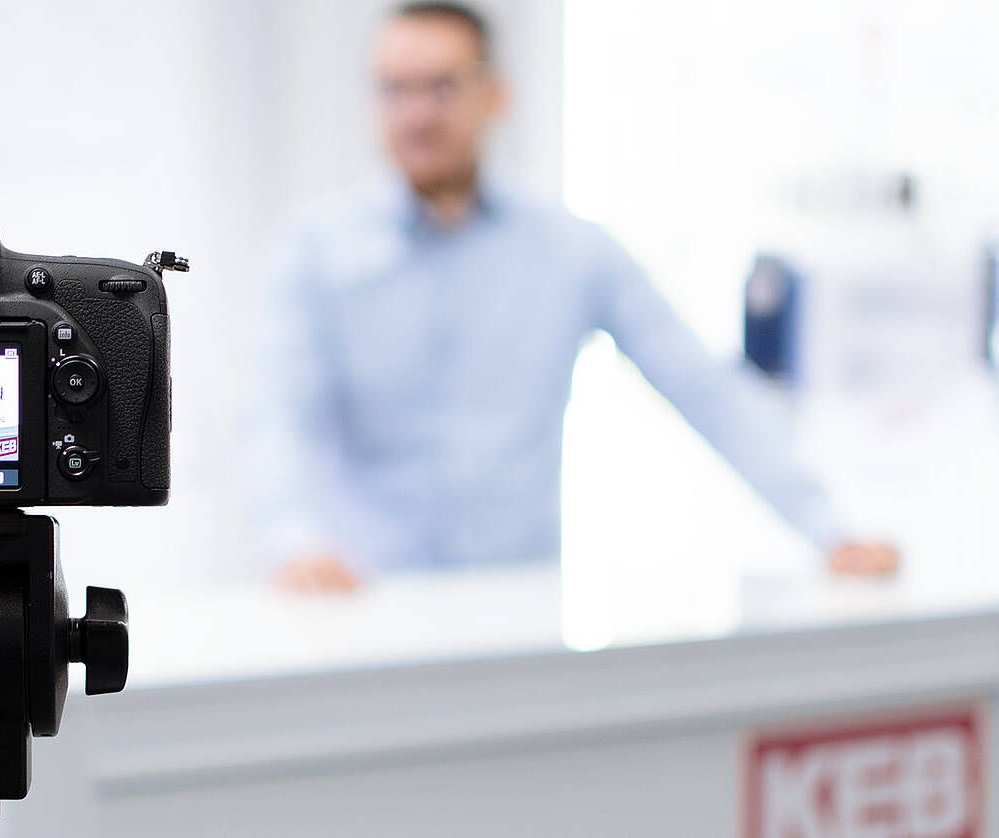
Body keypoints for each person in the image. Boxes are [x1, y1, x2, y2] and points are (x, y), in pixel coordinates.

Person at [249, 2, 899, 592]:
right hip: (367, 606)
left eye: (442, 87)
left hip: (521, 613)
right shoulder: (312, 253)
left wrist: (829, 528)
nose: (417, 113)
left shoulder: (572, 250)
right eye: (395, 90)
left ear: (495, 95)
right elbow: (276, 418)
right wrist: (297, 544)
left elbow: (705, 389)